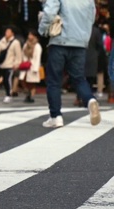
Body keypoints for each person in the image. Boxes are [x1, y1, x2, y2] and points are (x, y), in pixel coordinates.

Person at [39, 0, 100, 128]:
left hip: (59, 42)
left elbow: (49, 13)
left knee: (54, 80)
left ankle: (56, 116)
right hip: (79, 43)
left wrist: (42, 29)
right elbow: (91, 19)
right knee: (79, 78)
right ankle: (90, 100)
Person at [0, 26, 22, 104]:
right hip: (3, 64)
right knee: (5, 80)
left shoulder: (15, 42)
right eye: (6, 32)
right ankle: (7, 94)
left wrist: (17, 63)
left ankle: (8, 95)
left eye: (8, 32)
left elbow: (18, 54)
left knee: (8, 80)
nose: (6, 33)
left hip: (11, 65)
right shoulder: (2, 41)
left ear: (12, 33)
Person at [18, 30, 42, 104]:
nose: (29, 36)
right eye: (29, 34)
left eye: (31, 35)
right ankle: (28, 93)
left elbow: (37, 58)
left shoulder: (37, 46)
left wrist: (36, 68)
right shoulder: (26, 44)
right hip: (26, 65)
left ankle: (30, 96)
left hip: (33, 66)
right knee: (23, 79)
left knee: (31, 82)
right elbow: (23, 53)